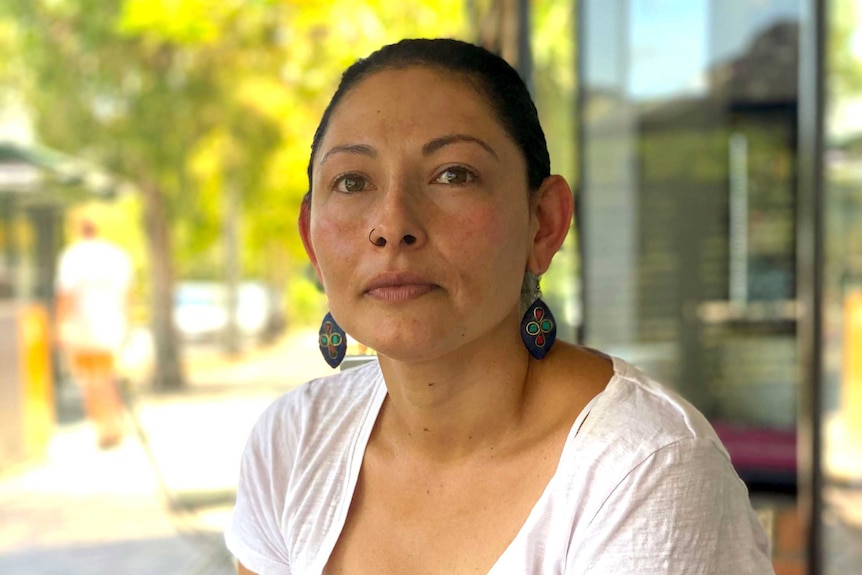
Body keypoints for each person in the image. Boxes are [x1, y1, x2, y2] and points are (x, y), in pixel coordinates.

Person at [225, 39, 774, 574]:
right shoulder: (294, 443)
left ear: (545, 222)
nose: (392, 225)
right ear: (311, 240)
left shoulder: (643, 471)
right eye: (351, 182)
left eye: (453, 175)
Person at [56, 217, 133, 449]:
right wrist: (128, 326)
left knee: (91, 381)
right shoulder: (117, 255)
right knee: (107, 378)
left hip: (84, 330)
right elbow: (128, 294)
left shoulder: (72, 255)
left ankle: (104, 428)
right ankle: (114, 425)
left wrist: (58, 326)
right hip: (112, 328)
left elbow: (65, 295)